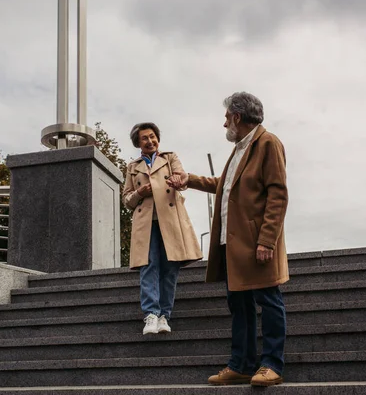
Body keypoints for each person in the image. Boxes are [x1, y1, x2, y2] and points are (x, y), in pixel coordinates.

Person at [168, 92, 289, 386]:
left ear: (237, 117)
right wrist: (190, 180)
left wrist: (266, 241)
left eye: (226, 118)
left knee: (269, 301)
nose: (224, 124)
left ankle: (271, 364)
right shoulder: (239, 150)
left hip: (256, 242)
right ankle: (242, 365)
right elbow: (223, 186)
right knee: (239, 305)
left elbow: (278, 194)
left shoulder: (267, 143)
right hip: (232, 244)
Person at [122, 122, 203, 335]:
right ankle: (150, 315)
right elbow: (127, 200)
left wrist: (178, 181)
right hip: (146, 223)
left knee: (170, 269)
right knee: (149, 267)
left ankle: (164, 315)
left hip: (171, 221)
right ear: (138, 143)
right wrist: (140, 193)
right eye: (144, 139)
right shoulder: (132, 167)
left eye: (152, 137)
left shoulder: (169, 158)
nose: (150, 141)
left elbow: (182, 178)